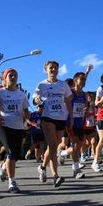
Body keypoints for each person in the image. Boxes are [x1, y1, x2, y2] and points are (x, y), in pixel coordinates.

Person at [33, 60, 73, 188]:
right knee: (53, 145)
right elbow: (35, 99)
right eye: (51, 68)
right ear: (46, 70)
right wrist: (37, 99)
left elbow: (68, 100)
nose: (53, 70)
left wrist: (71, 116)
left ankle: (42, 167)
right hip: (47, 117)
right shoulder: (41, 85)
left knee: (53, 147)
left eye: (55, 68)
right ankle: (55, 176)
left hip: (61, 117)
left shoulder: (63, 85)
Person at [0, 68, 30, 193]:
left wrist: (27, 118)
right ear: (5, 78)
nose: (13, 77)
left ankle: (3, 167)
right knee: (10, 152)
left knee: (15, 155)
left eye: (15, 75)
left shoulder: (21, 94)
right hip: (4, 125)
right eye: (10, 75)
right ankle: (12, 183)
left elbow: (26, 111)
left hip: (18, 127)